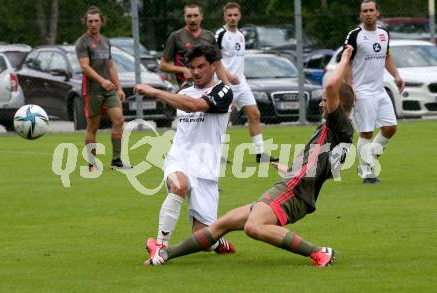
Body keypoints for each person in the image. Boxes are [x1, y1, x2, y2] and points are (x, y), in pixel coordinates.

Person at [144, 45, 356, 268]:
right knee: (222, 224)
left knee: (254, 227)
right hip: (294, 186)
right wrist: (292, 169)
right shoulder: (338, 131)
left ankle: (318, 253)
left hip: (293, 190)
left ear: (338, 105)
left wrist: (346, 57)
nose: (322, 102)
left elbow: (333, 85)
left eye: (325, 99)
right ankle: (164, 255)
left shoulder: (338, 124)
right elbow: (323, 166)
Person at [135, 44, 235, 253]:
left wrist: (154, 91)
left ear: (214, 65)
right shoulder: (184, 92)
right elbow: (186, 104)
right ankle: (160, 246)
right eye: (192, 67)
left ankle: (217, 242)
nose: (196, 72)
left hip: (206, 169)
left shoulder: (223, 91)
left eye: (201, 66)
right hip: (179, 159)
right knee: (179, 185)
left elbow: (194, 106)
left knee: (202, 239)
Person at [344, 0, 404, 184]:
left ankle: (367, 159)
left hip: (379, 90)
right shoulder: (355, 35)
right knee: (366, 132)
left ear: (378, 13)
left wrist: (396, 75)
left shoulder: (384, 34)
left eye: (371, 10)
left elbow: (387, 57)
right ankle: (367, 172)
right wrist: (350, 88)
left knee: (390, 128)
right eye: (365, 11)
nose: (368, 13)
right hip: (362, 92)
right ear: (360, 14)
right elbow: (346, 62)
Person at [215, 2, 279, 163]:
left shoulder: (241, 35)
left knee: (255, 114)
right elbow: (214, 60)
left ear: (240, 16)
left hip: (241, 83)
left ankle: (260, 154)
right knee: (223, 120)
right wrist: (228, 76)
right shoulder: (220, 35)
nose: (232, 18)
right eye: (229, 15)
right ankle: (218, 155)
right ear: (225, 17)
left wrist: (237, 77)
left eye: (235, 15)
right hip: (224, 84)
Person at [75, 6, 130, 171]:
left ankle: (116, 161)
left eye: (96, 21)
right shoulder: (82, 42)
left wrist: (119, 88)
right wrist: (102, 81)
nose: (93, 24)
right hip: (92, 90)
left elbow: (111, 65)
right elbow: (85, 67)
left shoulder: (106, 41)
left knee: (119, 120)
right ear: (86, 22)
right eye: (90, 21)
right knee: (93, 126)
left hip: (109, 89)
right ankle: (91, 163)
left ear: (101, 22)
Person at [160, 3, 228, 88]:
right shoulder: (176, 36)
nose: (192, 19)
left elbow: (218, 65)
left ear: (201, 16)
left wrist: (227, 87)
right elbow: (163, 65)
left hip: (208, 85)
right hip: (187, 85)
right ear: (184, 17)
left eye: (196, 15)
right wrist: (184, 70)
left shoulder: (209, 36)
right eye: (189, 16)